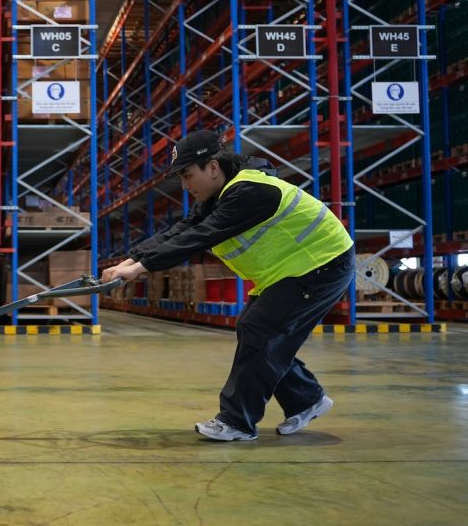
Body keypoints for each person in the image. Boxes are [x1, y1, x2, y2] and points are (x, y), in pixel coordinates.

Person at [101, 130, 354, 441]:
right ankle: (306, 399)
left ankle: (237, 422)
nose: (185, 186)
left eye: (187, 175)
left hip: (322, 264)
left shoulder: (250, 191)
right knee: (256, 331)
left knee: (259, 328)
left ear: (213, 167)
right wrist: (129, 262)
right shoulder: (219, 196)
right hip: (293, 271)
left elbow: (201, 236)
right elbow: (181, 230)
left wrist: (141, 268)